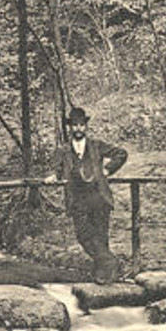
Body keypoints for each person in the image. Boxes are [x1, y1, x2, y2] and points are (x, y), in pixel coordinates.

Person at [51, 106, 128, 283]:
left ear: (85, 126)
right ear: (70, 127)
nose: (78, 128)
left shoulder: (96, 146)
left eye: (81, 125)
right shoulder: (63, 150)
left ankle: (104, 276)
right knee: (83, 235)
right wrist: (54, 176)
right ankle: (112, 262)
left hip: (99, 196)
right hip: (78, 199)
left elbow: (121, 153)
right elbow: (57, 169)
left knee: (101, 236)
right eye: (75, 125)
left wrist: (107, 170)